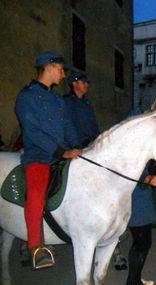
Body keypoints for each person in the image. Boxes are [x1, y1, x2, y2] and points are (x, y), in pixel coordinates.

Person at [15, 51, 82, 269]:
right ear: (50, 67)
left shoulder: (57, 99)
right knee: (35, 193)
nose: (63, 75)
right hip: (40, 156)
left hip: (63, 153)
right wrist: (60, 152)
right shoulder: (26, 97)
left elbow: (68, 127)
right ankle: (36, 247)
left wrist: (80, 146)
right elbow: (32, 132)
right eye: (62, 70)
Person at [125, 160, 156, 285]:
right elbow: (131, 169)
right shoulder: (132, 147)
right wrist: (148, 178)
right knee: (142, 245)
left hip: (140, 203)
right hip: (137, 206)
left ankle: (133, 280)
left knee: (139, 244)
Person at [64, 71, 100, 147]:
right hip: (74, 147)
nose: (86, 85)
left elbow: (94, 126)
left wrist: (98, 141)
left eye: (87, 83)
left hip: (90, 146)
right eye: (83, 82)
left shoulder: (87, 104)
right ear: (74, 83)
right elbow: (66, 126)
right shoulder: (66, 102)